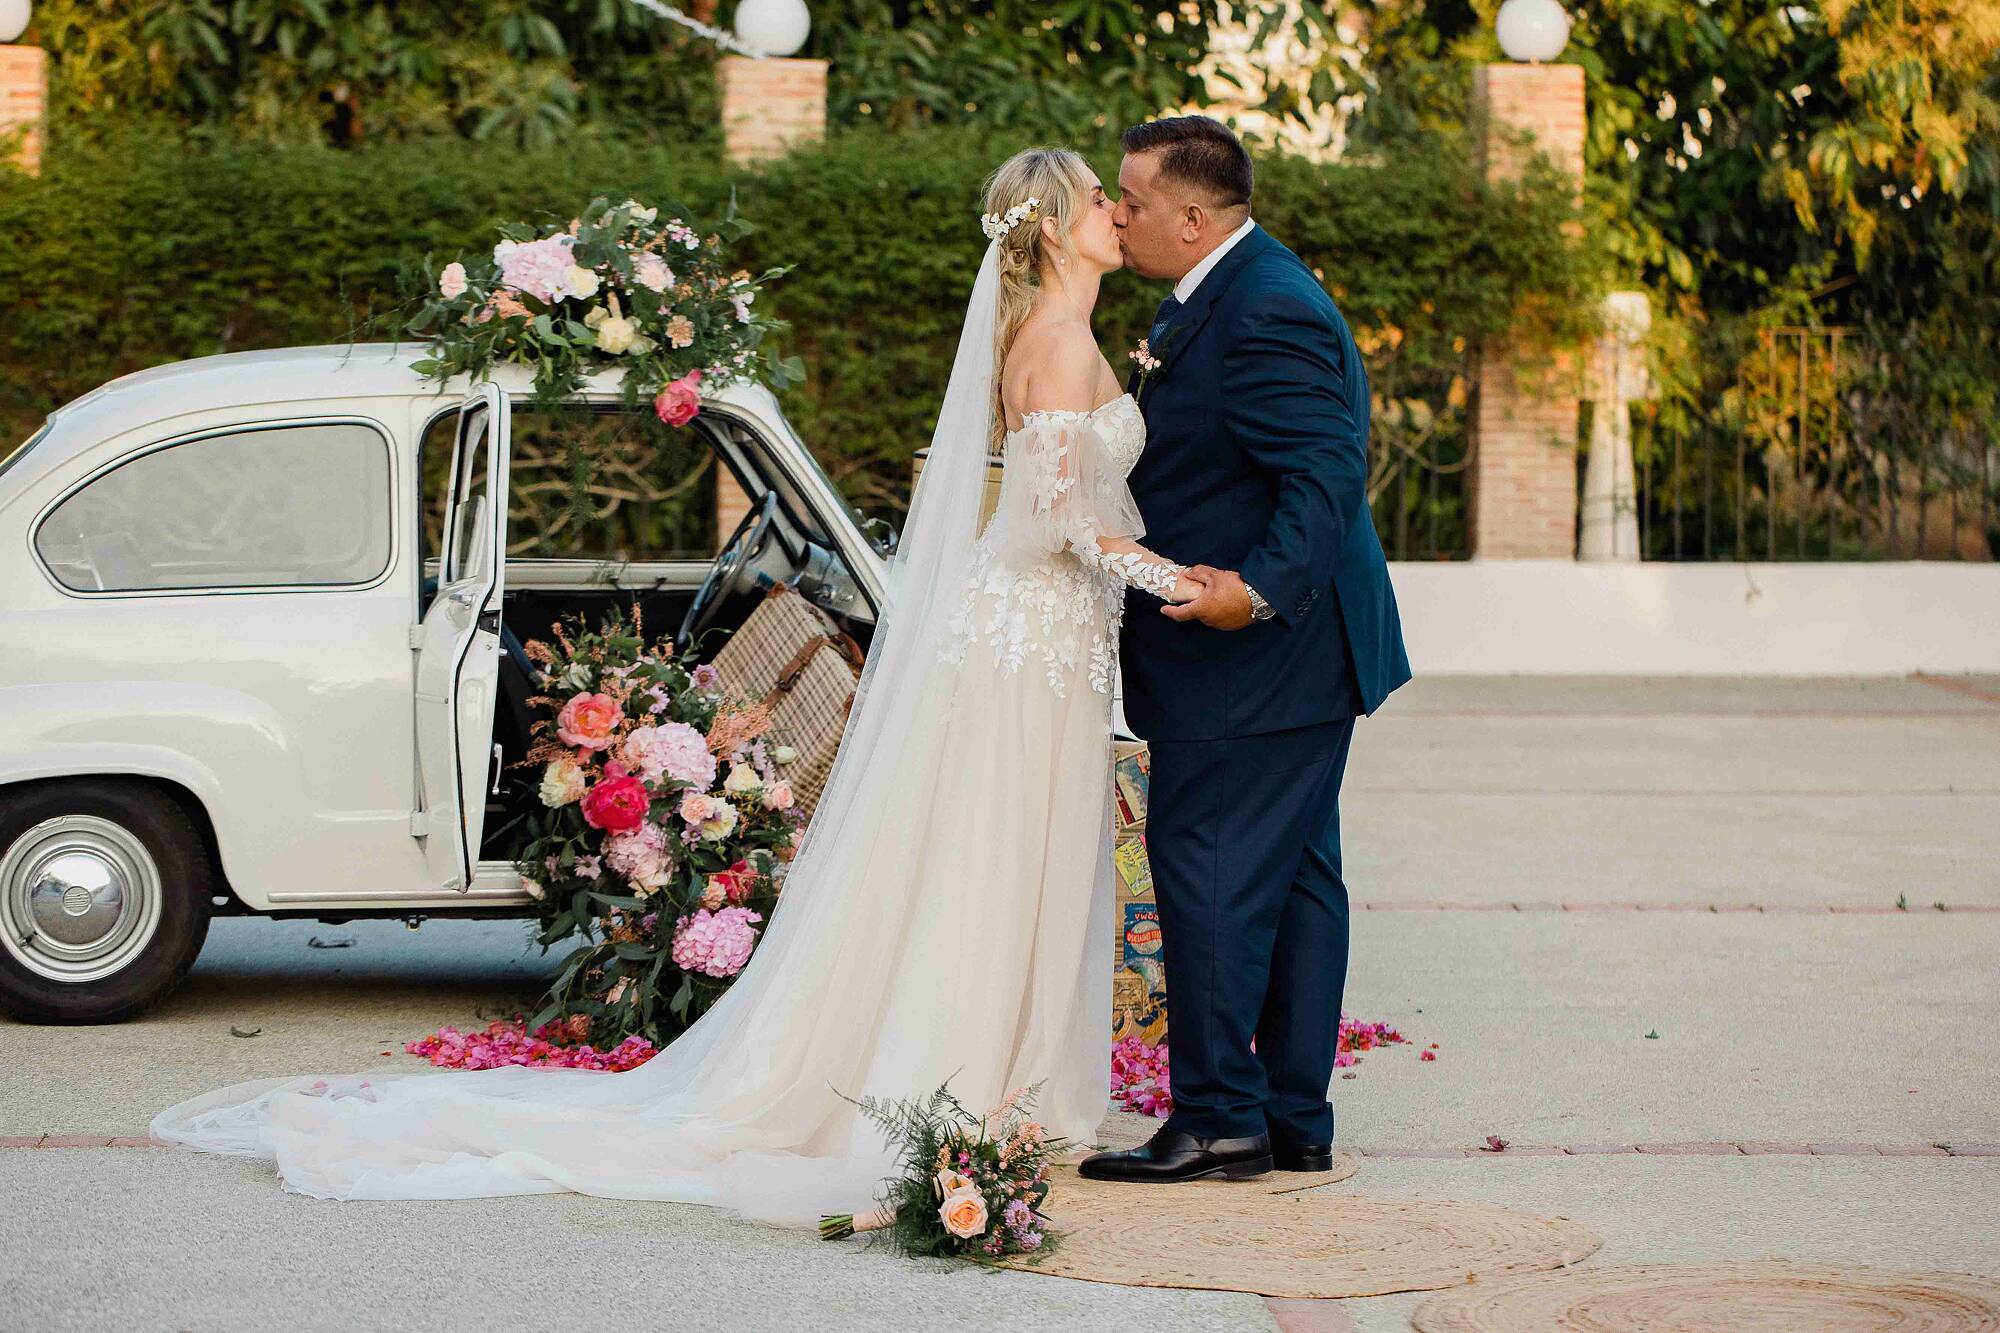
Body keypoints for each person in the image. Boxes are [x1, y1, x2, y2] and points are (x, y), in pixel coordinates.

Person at [151, 146, 1202, 1226]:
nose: (1118, 216)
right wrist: (1185, 582)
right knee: (996, 853)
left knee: (1006, 850)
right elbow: (1061, 523)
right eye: (1096, 202)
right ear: (1047, 226)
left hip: (1038, 631)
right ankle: (983, 1078)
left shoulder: (1054, 337)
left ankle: (1007, 1076)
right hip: (1028, 631)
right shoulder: (1058, 344)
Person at [1078, 115, 1410, 1184]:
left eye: (1130, 198)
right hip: (1293, 655)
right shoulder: (1224, 290)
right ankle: (1290, 1119)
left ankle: (1221, 1117)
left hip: (1259, 653)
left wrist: (1253, 595)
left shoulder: (1262, 306)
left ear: (1188, 214)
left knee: (1207, 870)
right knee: (1299, 878)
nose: (1117, 214)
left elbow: (1325, 469)